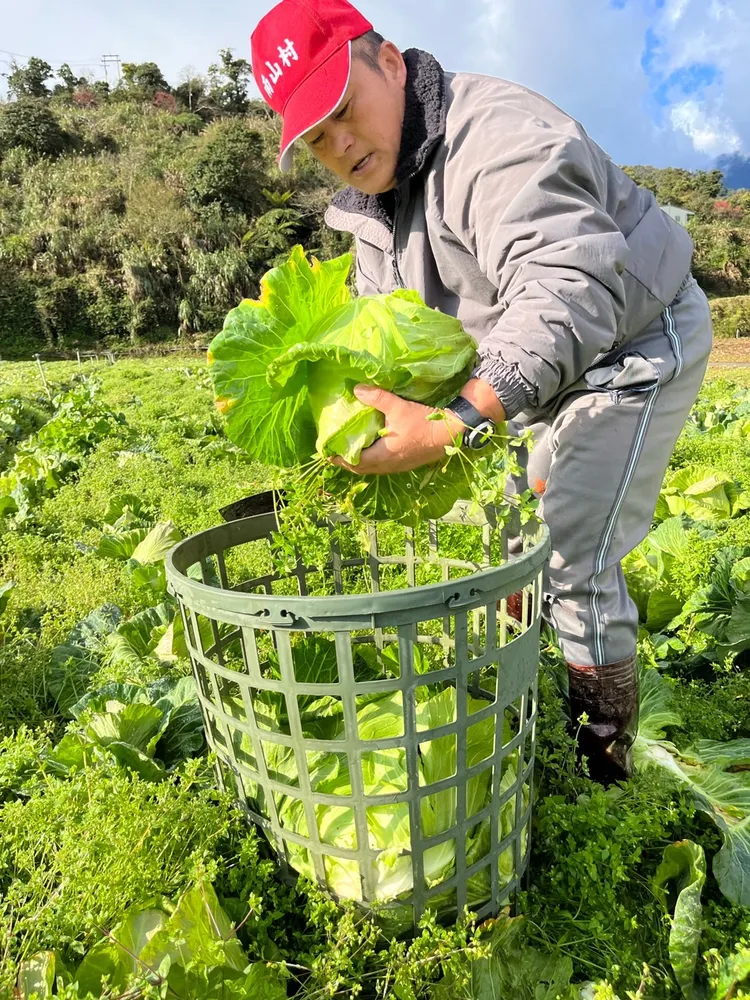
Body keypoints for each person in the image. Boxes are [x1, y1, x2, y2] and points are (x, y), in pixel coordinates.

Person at [250, 0, 713, 783]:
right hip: (526, 370)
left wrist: (456, 420)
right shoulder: (370, 214)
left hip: (633, 340)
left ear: (390, 63)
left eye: (341, 110)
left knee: (567, 551)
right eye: (316, 138)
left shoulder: (495, 140)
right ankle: (534, 707)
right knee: (509, 548)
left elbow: (568, 285)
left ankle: (601, 765)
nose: (339, 145)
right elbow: (384, 345)